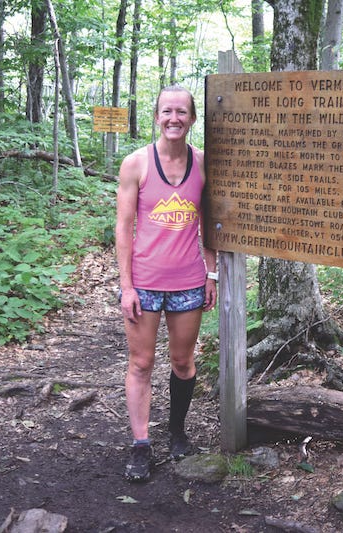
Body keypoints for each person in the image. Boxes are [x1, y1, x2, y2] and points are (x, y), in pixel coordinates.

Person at [115, 85, 217, 482]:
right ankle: (141, 443)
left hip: (189, 281)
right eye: (166, 111)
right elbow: (123, 229)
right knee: (141, 362)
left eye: (182, 112)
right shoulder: (136, 164)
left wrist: (211, 273)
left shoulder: (204, 165)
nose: (174, 118)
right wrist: (126, 286)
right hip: (144, 282)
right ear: (156, 117)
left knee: (182, 362)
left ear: (192, 119)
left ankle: (177, 431)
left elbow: (210, 223)